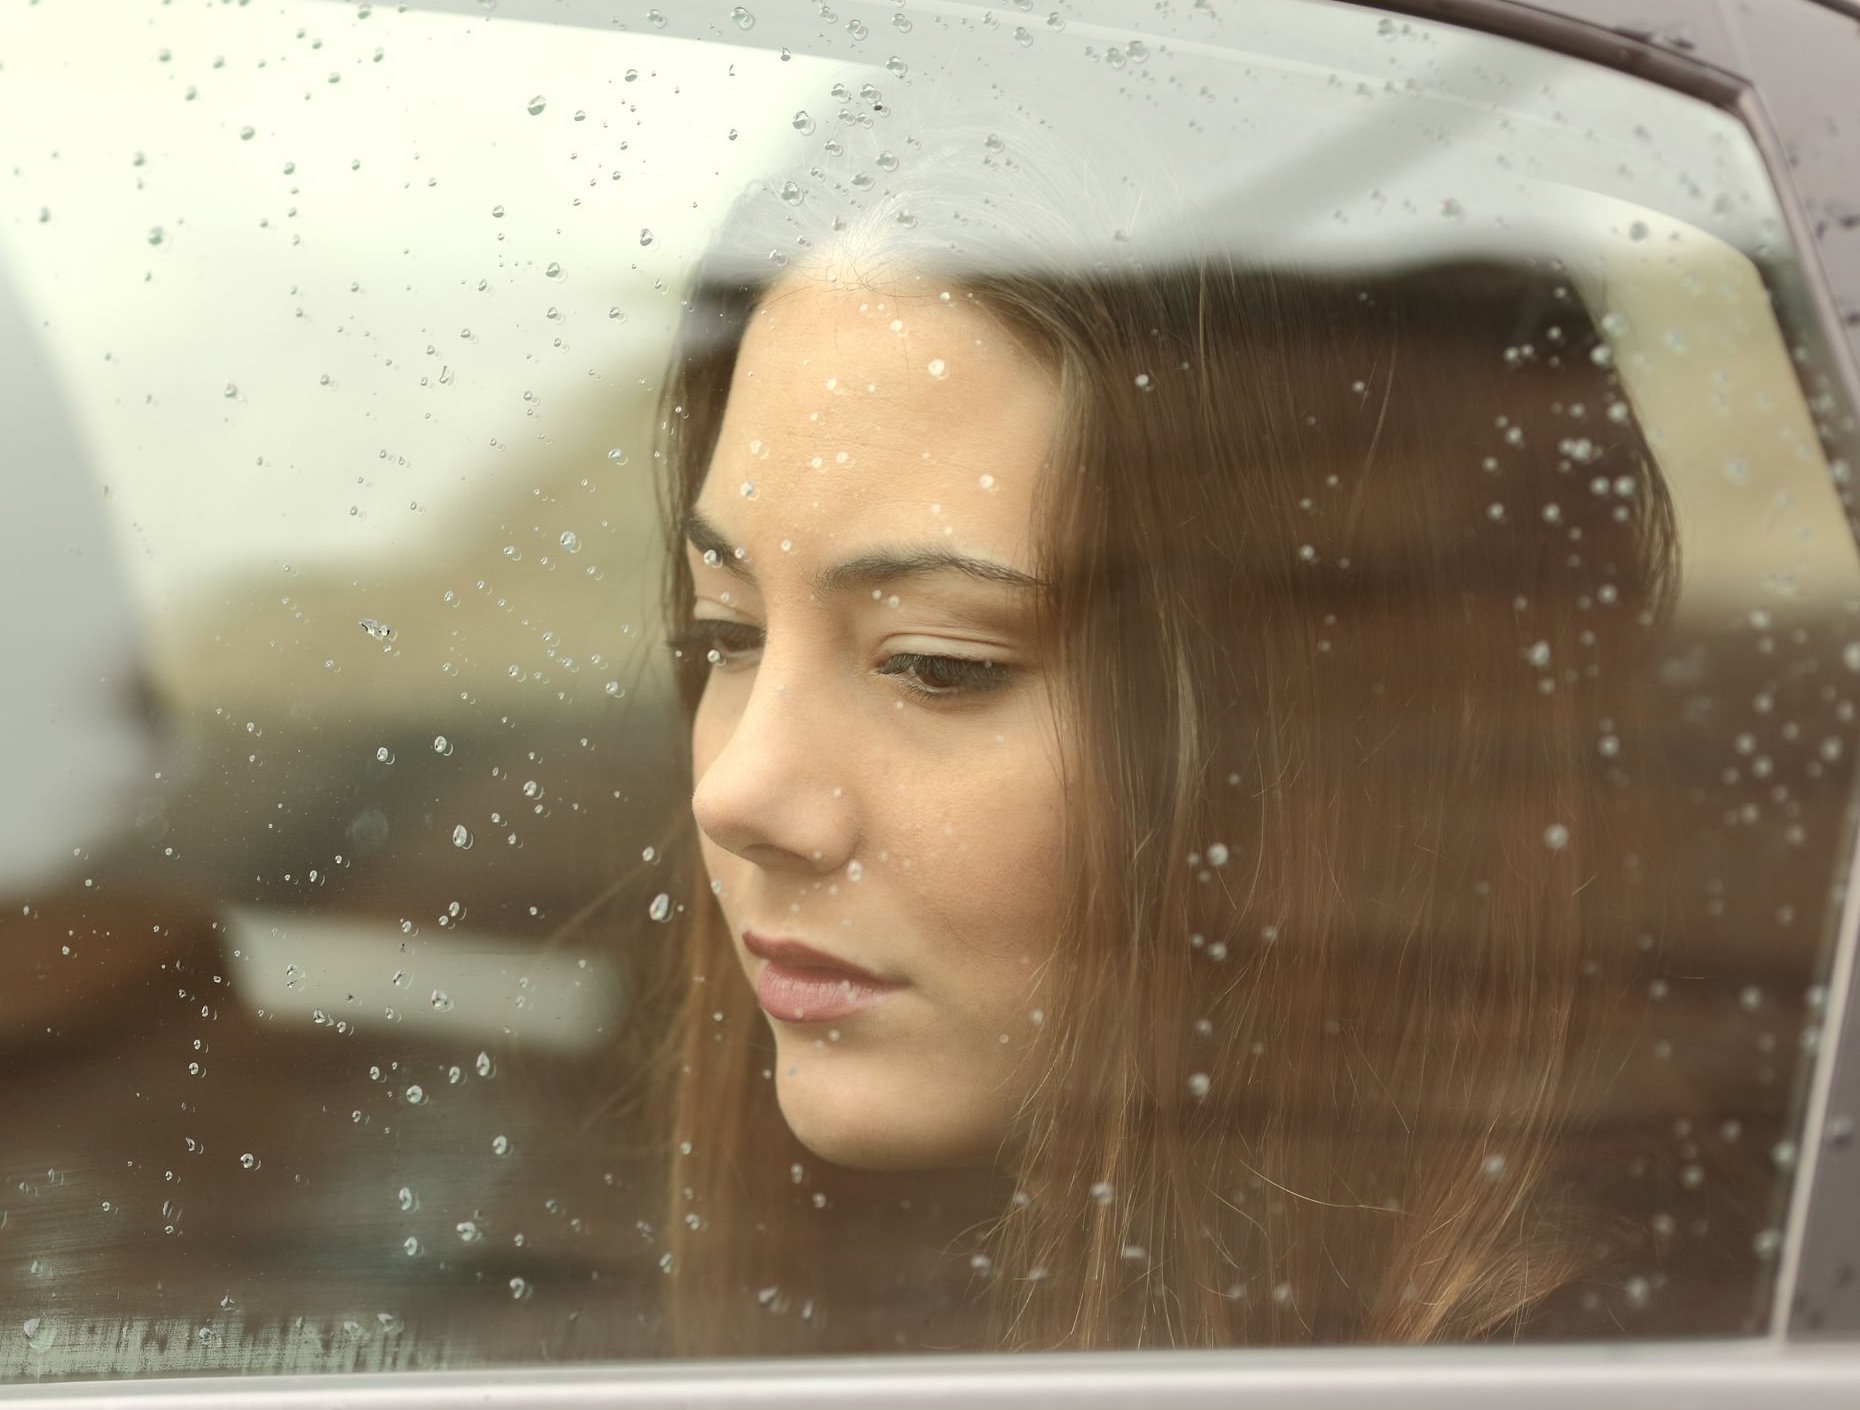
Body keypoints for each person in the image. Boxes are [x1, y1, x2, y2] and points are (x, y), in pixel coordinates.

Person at [626, 115, 1790, 1354]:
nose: (739, 791)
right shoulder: (913, 1280)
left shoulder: (1616, 1362)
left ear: (1341, 738)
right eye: (726, 634)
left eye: (937, 664)